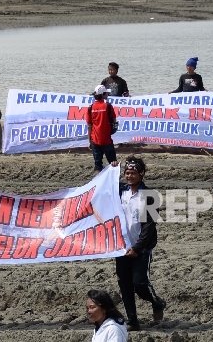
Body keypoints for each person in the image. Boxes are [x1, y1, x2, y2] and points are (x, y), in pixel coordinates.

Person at [117, 156, 166, 332]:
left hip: (141, 248)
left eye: (133, 173)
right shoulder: (120, 191)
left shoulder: (150, 196)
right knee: (124, 285)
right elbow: (102, 188)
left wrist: (137, 248)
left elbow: (150, 227)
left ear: (142, 174)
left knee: (139, 284)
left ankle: (157, 302)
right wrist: (112, 168)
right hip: (121, 247)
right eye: (127, 173)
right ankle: (132, 321)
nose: (129, 176)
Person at [86, 85, 119, 174]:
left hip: (94, 140)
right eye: (106, 93)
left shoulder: (90, 107)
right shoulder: (107, 106)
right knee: (113, 162)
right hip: (106, 140)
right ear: (103, 94)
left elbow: (89, 126)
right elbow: (114, 121)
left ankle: (98, 184)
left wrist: (89, 141)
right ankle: (114, 183)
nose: (107, 94)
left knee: (98, 165)